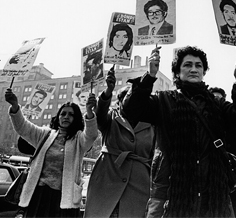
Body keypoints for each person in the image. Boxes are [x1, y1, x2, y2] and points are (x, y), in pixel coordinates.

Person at [123, 42, 236, 217]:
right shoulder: (164, 100)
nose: (194, 69)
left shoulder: (216, 104)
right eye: (188, 65)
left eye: (198, 66)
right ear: (177, 72)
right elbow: (130, 110)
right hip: (169, 196)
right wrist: (150, 76)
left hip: (214, 197)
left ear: (204, 72)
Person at [5, 88, 99, 218]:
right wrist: (15, 106)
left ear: (76, 118)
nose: (66, 117)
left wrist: (89, 111)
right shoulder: (45, 134)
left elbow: (92, 135)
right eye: (63, 113)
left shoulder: (79, 139)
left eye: (71, 114)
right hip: (38, 195)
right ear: (58, 116)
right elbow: (23, 127)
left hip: (63, 199)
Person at [84, 68, 155, 218]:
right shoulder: (111, 119)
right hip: (107, 179)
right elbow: (100, 115)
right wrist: (108, 91)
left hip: (138, 187)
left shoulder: (152, 126)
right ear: (121, 102)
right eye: (126, 98)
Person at [209, 86, 236, 217]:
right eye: (214, 99)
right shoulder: (202, 126)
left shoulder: (234, 124)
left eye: (220, 100)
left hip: (233, 178)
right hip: (210, 178)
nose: (217, 103)